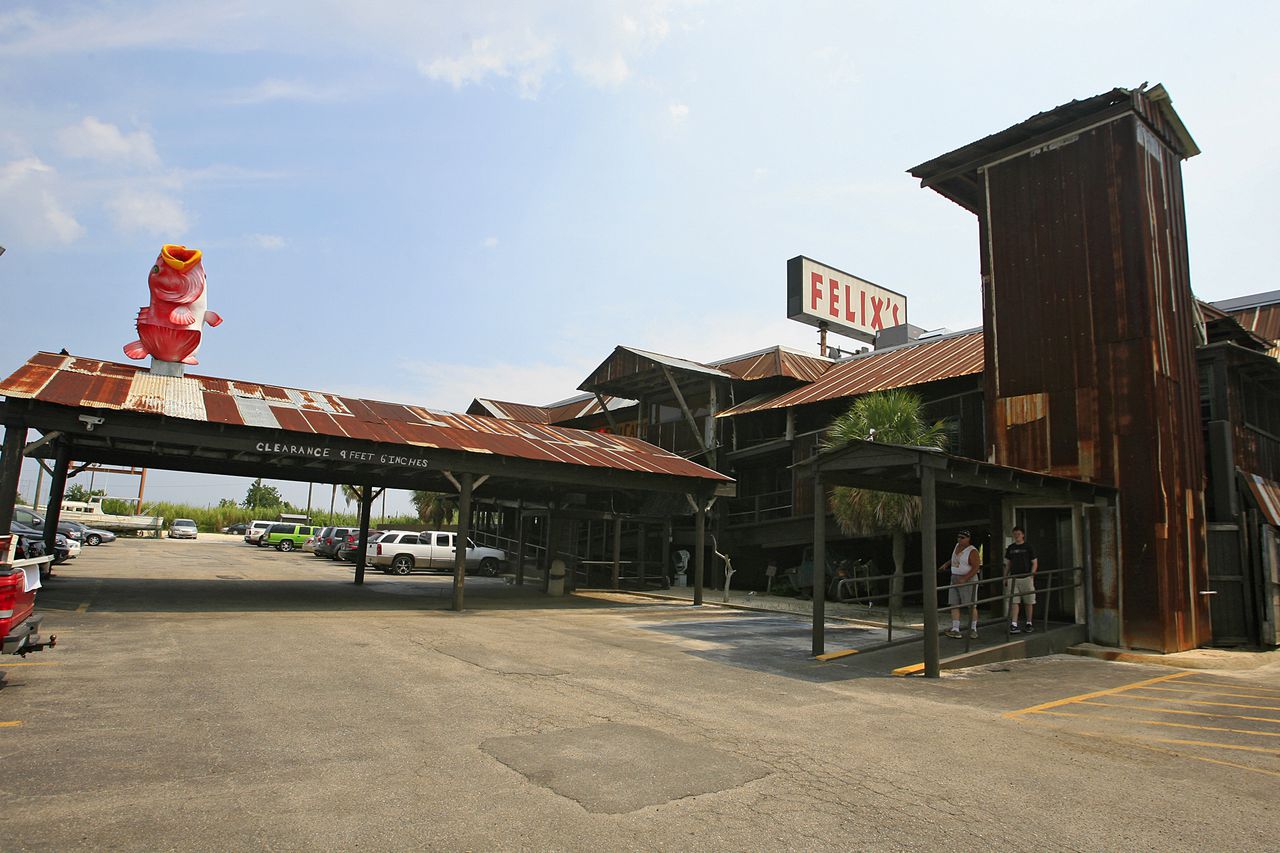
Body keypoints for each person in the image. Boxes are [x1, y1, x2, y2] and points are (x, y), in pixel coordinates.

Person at [939, 530, 980, 639]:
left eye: (962, 537)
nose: (959, 539)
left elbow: (976, 567)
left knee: (970, 604)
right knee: (954, 603)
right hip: (954, 577)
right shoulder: (957, 546)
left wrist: (965, 578)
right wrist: (947, 564)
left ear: (968, 539)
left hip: (967, 579)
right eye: (958, 537)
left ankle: (973, 628)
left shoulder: (972, 551)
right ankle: (955, 628)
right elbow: (955, 558)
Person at [1004, 526, 1038, 633]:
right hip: (1013, 577)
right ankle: (1014, 623)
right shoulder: (1011, 548)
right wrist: (1005, 576)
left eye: (1018, 534)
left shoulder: (1028, 547)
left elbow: (1034, 562)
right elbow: (1008, 563)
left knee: (1029, 601)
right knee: (1014, 601)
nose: (1016, 536)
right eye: (1015, 534)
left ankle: (1029, 622)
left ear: (1023, 535)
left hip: (1026, 577)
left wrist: (1032, 575)